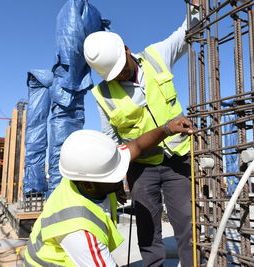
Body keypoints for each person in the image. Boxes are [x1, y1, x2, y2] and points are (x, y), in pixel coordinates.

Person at [83, 2, 199, 266]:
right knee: (148, 232)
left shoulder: (156, 56)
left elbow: (185, 33)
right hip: (142, 168)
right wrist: (116, 180)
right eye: (113, 74)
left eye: (121, 68)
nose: (120, 75)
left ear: (126, 49)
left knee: (188, 225)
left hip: (178, 160)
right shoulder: (103, 93)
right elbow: (111, 140)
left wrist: (196, 10)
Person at [23, 116, 194, 267]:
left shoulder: (88, 170)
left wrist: (167, 128)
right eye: (114, 175)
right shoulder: (80, 231)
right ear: (90, 185)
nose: (120, 177)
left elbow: (138, 146)